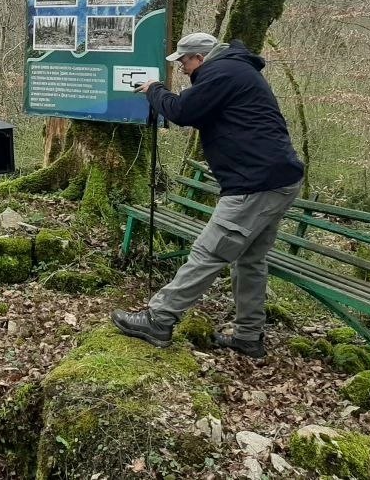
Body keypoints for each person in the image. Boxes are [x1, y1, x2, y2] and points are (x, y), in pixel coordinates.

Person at [112, 32, 304, 358]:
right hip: (278, 179)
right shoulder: (236, 70)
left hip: (255, 184)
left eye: (184, 62)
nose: (183, 68)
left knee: (208, 252)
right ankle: (248, 336)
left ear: (200, 58)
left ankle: (159, 319)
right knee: (250, 260)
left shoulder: (221, 72)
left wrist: (155, 89)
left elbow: (182, 111)